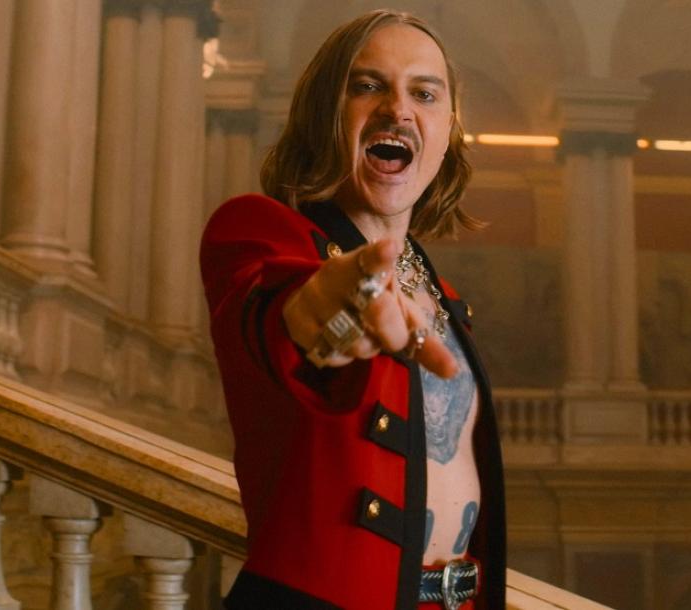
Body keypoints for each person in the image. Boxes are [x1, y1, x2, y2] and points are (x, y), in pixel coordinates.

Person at [200, 9, 505, 610]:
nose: (398, 110)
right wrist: (329, 315)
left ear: (447, 130)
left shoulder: (443, 294)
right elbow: (285, 316)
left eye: (424, 94)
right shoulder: (261, 233)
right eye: (367, 86)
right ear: (325, 114)